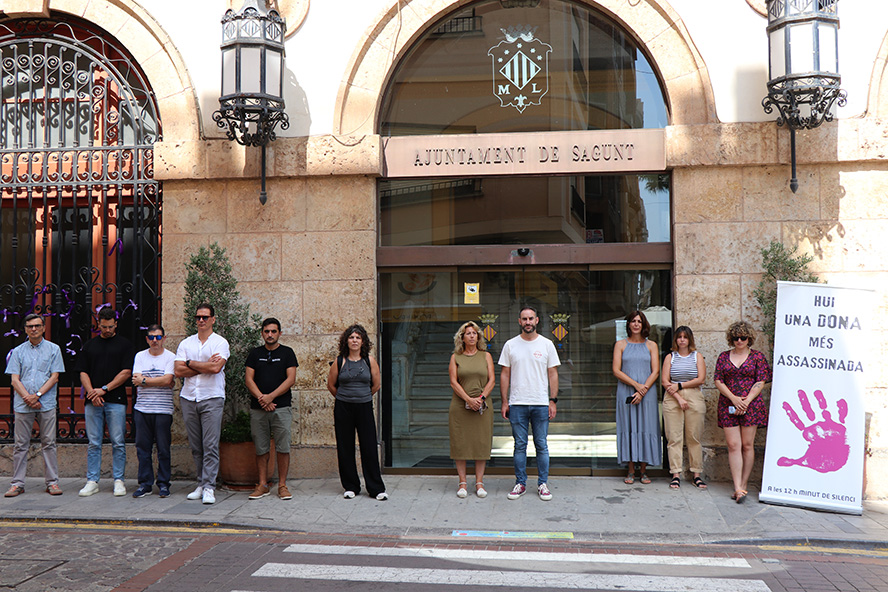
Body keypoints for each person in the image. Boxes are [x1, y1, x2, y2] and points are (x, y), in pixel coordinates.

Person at [499, 305, 560, 501]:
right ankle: (521, 483)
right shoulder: (510, 345)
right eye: (524, 319)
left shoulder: (547, 344)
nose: (527, 322)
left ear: (537, 321)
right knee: (519, 445)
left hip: (541, 403)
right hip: (517, 403)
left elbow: (553, 374)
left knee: (541, 445)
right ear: (519, 321)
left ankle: (543, 483)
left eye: (531, 318)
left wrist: (552, 400)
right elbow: (505, 374)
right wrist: (504, 401)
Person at [4, 314, 66, 497]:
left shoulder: (54, 350)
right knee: (20, 444)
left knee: (49, 443)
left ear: (44, 328)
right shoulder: (18, 351)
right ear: (25, 329)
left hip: (46, 403)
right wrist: (28, 398)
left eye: (37, 326)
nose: (34, 329)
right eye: (30, 326)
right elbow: (15, 380)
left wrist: (37, 395)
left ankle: (52, 483)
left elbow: (55, 377)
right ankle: (17, 484)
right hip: (23, 404)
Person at [175, 303, 230, 505]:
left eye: (205, 317)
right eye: (198, 317)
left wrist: (190, 363)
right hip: (189, 397)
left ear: (213, 319)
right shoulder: (186, 343)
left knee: (210, 445)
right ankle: (201, 483)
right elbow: (178, 371)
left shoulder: (220, 343)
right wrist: (203, 365)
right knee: (197, 446)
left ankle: (209, 486)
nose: (201, 320)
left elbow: (216, 368)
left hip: (212, 397)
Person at [77, 307, 134, 497]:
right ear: (98, 324)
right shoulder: (90, 345)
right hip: (93, 401)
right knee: (94, 442)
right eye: (104, 327)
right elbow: (83, 371)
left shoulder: (125, 345)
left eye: (110, 326)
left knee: (118, 441)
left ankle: (119, 480)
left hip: (115, 400)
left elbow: (126, 372)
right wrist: (93, 393)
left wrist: (104, 389)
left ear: (116, 324)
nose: (107, 330)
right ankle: (92, 480)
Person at [326, 324, 387, 500]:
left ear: (363, 341)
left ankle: (376, 488)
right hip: (343, 407)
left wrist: (362, 396)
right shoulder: (340, 361)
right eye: (351, 337)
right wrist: (346, 397)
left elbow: (376, 384)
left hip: (364, 406)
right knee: (345, 447)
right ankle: (351, 486)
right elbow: (331, 385)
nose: (354, 340)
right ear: (346, 340)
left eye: (358, 338)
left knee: (369, 446)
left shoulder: (369, 360)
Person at [714, 320, 772, 504]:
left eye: (743, 337)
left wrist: (746, 400)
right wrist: (734, 398)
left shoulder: (757, 357)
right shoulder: (723, 357)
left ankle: (743, 485)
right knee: (733, 445)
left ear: (749, 339)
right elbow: (718, 380)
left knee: (747, 445)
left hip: (751, 405)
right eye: (736, 338)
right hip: (728, 403)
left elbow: (761, 381)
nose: (739, 340)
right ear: (731, 339)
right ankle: (737, 486)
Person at [245, 317, 298, 501]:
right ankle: (262, 484)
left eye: (273, 331)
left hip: (281, 407)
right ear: (262, 333)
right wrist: (262, 398)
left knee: (283, 447)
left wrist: (271, 397)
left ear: (280, 333)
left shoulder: (288, 353)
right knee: (261, 448)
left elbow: (290, 379)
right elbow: (248, 379)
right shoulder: (254, 353)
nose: (270, 335)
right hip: (258, 408)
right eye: (266, 331)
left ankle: (282, 485)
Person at [448, 321, 496, 498]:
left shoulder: (486, 356)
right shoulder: (455, 357)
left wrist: (481, 398)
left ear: (478, 337)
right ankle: (462, 483)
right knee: (460, 444)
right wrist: (468, 399)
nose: (471, 336)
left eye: (474, 333)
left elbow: (492, 380)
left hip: (482, 406)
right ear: (462, 337)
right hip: (460, 406)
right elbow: (453, 382)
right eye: (468, 333)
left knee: (480, 443)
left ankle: (479, 483)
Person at [613, 310, 660, 485]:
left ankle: (644, 470)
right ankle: (630, 469)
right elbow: (616, 370)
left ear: (644, 324)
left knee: (646, 426)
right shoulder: (620, 345)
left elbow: (656, 371)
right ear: (628, 325)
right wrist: (636, 386)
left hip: (647, 392)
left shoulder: (652, 345)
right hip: (626, 390)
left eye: (639, 321)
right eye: (633, 321)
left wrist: (642, 390)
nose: (636, 324)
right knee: (629, 426)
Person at [131, 324, 176, 499]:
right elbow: (136, 379)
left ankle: (164, 484)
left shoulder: (170, 357)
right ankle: (145, 484)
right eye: (151, 337)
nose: (154, 341)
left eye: (158, 337)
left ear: (164, 338)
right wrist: (157, 380)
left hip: (163, 410)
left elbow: (168, 380)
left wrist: (145, 380)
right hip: (142, 409)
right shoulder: (140, 356)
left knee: (163, 449)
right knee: (143, 448)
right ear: (147, 339)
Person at [661, 325, 707, 490]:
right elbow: (665, 381)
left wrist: (680, 385)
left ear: (690, 340)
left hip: (693, 396)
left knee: (694, 437)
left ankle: (696, 474)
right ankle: (675, 474)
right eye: (679, 337)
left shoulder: (697, 356)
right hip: (673, 397)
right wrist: (679, 397)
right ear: (676, 339)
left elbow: (701, 379)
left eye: (685, 337)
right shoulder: (670, 357)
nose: (682, 340)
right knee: (674, 438)